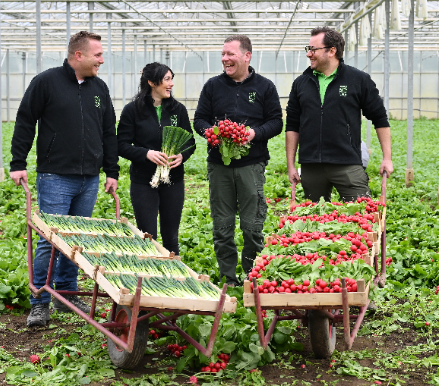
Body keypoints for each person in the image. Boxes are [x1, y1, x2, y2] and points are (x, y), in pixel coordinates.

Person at [10, 31, 119, 327]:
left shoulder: (99, 88)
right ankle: (40, 302)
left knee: (76, 241)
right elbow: (25, 120)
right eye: (97, 54)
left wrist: (112, 171)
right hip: (55, 175)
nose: (102, 59)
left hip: (90, 179)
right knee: (50, 240)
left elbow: (109, 130)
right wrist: (17, 162)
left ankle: (67, 294)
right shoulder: (47, 82)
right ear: (78, 55)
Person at [194, 35, 283, 286]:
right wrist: (211, 133)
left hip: (251, 165)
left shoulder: (265, 87)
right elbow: (199, 119)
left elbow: (276, 122)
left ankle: (253, 275)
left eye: (230, 54)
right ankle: (229, 278)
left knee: (252, 225)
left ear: (247, 56)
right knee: (222, 225)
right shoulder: (213, 86)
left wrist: (254, 134)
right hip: (219, 166)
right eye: (223, 54)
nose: (225, 58)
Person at [286, 26, 393, 202]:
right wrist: (291, 165)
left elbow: (379, 118)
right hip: (311, 166)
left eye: (313, 49)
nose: (308, 54)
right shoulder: (300, 83)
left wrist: (387, 158)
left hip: (348, 164)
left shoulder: (358, 79)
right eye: (308, 49)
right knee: (314, 222)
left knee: (360, 216)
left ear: (332, 51)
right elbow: (292, 126)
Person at [117, 62, 195, 256]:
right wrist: (145, 154)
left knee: (171, 237)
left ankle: (173, 278)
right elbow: (121, 145)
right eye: (167, 79)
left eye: (171, 79)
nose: (171, 84)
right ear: (152, 82)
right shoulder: (132, 110)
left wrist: (182, 156)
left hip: (173, 181)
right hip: (144, 181)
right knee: (147, 236)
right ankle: (150, 280)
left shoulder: (178, 110)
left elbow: (190, 142)